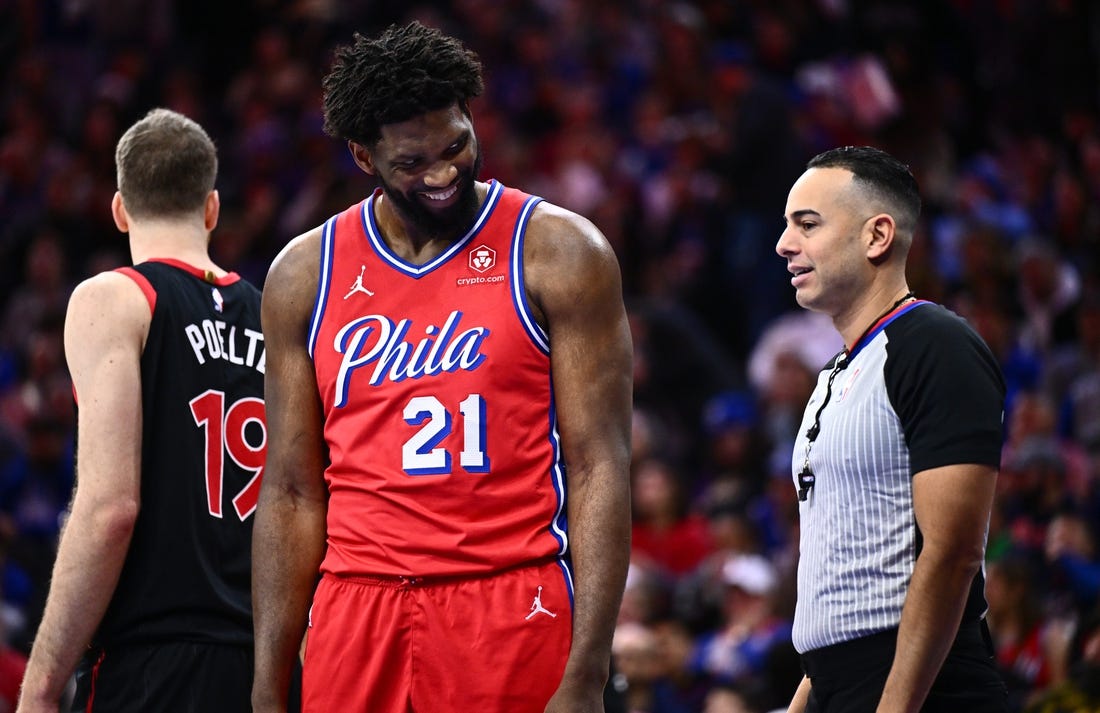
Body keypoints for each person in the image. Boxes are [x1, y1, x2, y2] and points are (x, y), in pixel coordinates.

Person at [251, 21, 633, 713]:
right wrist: (267, 683)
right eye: (412, 162)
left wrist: (587, 668)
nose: (442, 173)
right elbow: (291, 491)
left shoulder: (560, 251)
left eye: (456, 145)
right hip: (356, 603)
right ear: (364, 157)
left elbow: (598, 465)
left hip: (509, 594)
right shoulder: (304, 274)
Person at [17, 108, 270, 712]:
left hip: (154, 661)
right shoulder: (274, 315)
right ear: (211, 209)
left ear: (119, 209)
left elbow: (110, 510)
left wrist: (41, 687)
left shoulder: (115, 298)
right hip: (264, 665)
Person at [775, 146, 1009, 712]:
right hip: (840, 682)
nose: (784, 244)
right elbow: (845, 576)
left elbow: (953, 553)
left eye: (807, 224)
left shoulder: (935, 344)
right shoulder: (836, 371)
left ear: (877, 236)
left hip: (924, 686)